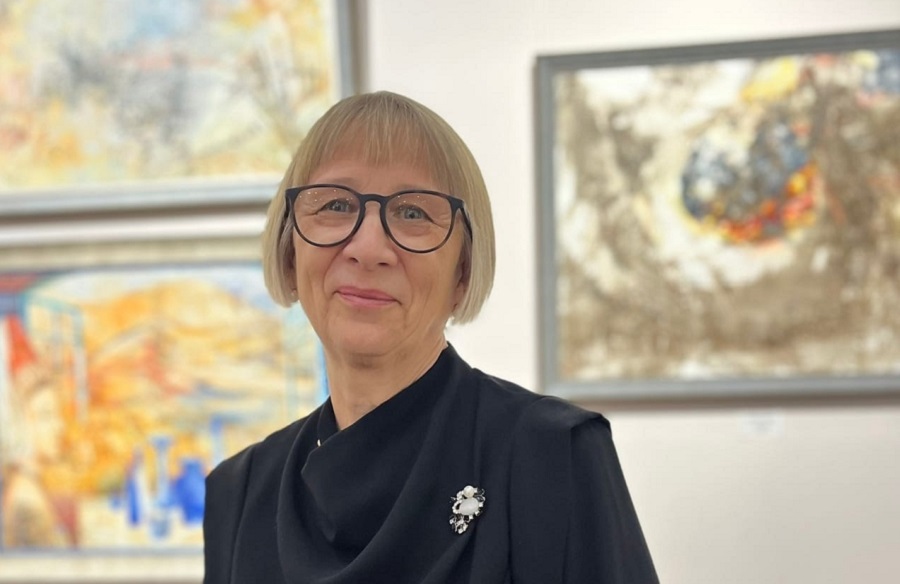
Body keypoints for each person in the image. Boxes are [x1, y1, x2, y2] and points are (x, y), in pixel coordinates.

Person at [203, 91, 658, 583]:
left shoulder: (552, 456)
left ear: (463, 271)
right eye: (335, 205)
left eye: (413, 213)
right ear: (290, 255)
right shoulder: (240, 494)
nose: (368, 248)